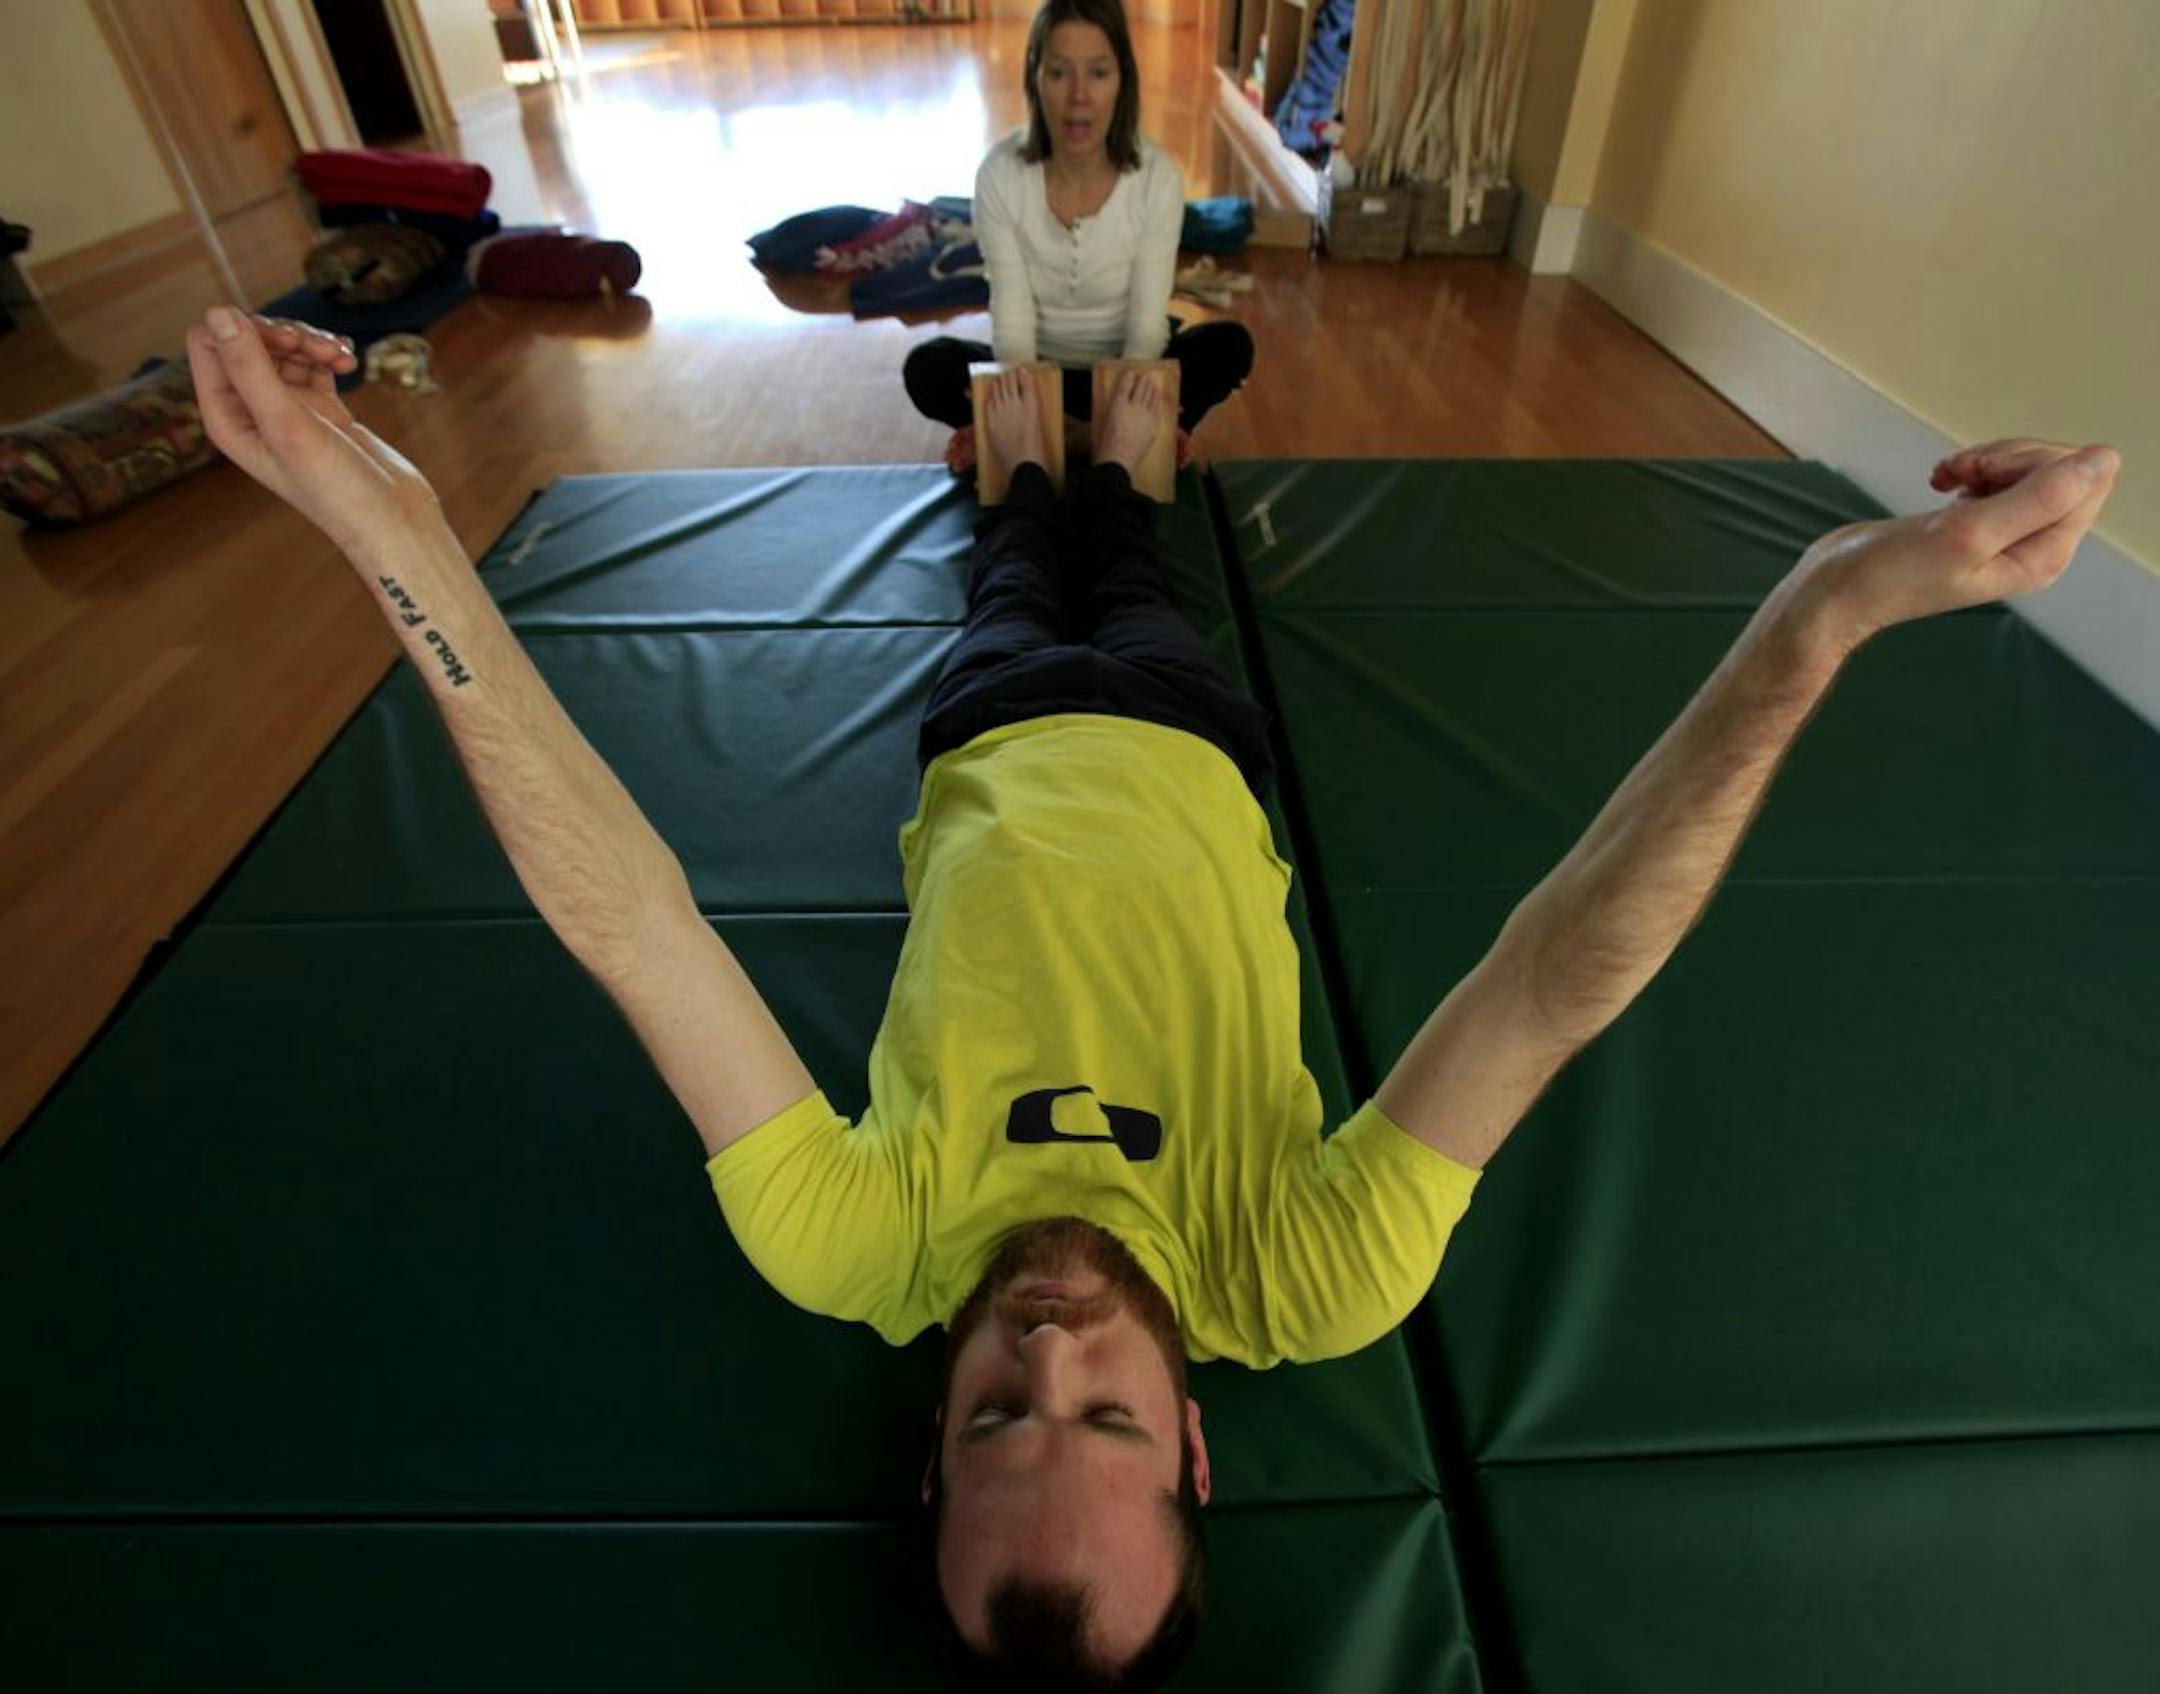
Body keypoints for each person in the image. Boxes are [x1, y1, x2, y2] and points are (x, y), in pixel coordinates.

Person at [187, 307, 2121, 1691]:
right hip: (1201, 738)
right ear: (1199, 1443)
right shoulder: (1302, 1272)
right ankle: (1116, 429)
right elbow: (1555, 976)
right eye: (1103, 1414)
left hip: (991, 725)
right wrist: (1825, 611)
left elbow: (630, 919)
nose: (1047, 1336)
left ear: (931, 1442)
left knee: (1026, 545)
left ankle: (1044, 438)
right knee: (1134, 543)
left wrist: (398, 531)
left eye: (997, 1408)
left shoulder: (853, 1244)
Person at [903, 0, 1256, 478]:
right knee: (929, 367)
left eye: (1098, 73)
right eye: (1059, 73)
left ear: (1122, 80)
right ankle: (1107, 441)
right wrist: (1028, 404)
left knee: (1228, 345)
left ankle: (1069, 439)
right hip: (1038, 371)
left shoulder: (1158, 177)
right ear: (1035, 78)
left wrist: (1127, 405)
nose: (1078, 97)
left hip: (1123, 372)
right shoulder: (1000, 175)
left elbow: (1147, 324)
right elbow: (1011, 317)